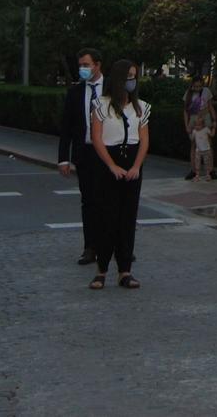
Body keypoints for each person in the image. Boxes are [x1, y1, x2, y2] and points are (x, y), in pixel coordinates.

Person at [88, 58, 150, 290]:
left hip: (132, 161)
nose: (131, 81)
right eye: (128, 77)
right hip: (108, 162)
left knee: (127, 218)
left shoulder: (140, 107)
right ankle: (101, 270)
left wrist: (136, 166)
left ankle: (125, 270)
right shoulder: (101, 105)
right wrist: (111, 165)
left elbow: (144, 140)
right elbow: (96, 138)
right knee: (107, 217)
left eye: (134, 77)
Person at [58, 48, 108, 266]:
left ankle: (113, 245)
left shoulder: (111, 90)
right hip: (85, 152)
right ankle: (90, 247)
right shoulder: (75, 93)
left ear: (97, 65)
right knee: (89, 201)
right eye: (81, 65)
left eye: (86, 65)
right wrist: (63, 158)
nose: (83, 69)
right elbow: (66, 128)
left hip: (108, 152)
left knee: (109, 200)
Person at [183, 74, 217, 181]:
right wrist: (187, 124)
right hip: (194, 118)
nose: (197, 88)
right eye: (195, 86)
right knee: (194, 144)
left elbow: (210, 106)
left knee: (208, 144)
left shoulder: (206, 91)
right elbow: (185, 110)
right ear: (192, 85)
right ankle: (194, 169)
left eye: (199, 86)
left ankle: (210, 170)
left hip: (205, 117)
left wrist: (214, 119)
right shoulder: (188, 93)